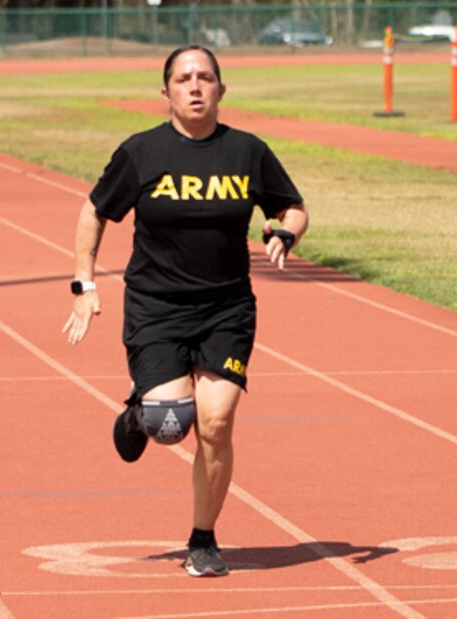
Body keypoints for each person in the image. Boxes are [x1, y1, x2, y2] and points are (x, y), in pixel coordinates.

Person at [63, 45, 308, 577]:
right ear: (166, 92)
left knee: (216, 424)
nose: (194, 87)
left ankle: (203, 539)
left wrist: (285, 229)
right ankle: (140, 413)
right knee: (170, 425)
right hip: (156, 307)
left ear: (221, 89)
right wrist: (83, 282)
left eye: (204, 78)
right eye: (182, 79)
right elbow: (95, 211)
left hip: (227, 308)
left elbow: (291, 205)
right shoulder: (141, 152)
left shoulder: (248, 151)